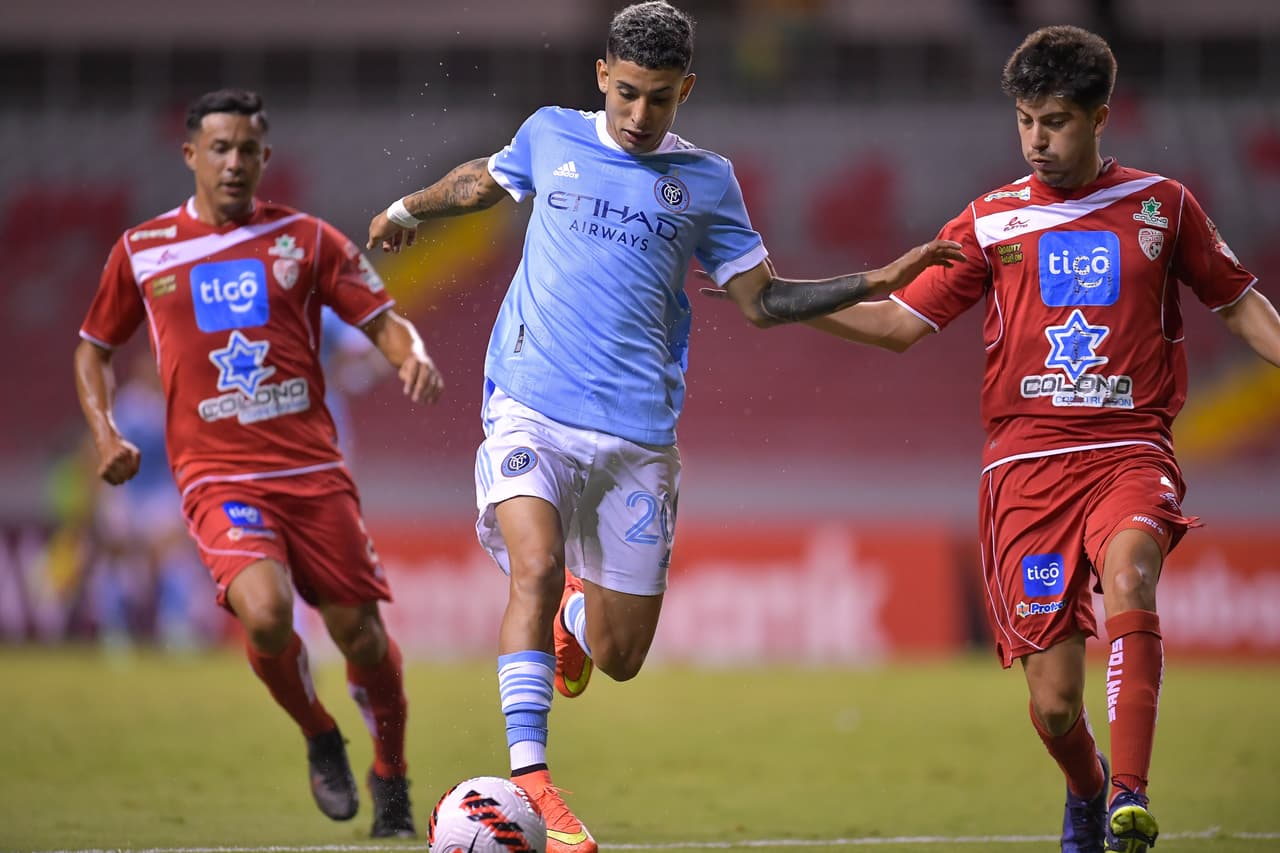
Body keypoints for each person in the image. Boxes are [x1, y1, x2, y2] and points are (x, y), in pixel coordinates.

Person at [366, 3, 963, 851]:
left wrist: (878, 277)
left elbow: (765, 303)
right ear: (603, 75)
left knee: (619, 654)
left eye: (661, 100)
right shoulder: (550, 135)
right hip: (529, 403)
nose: (641, 116)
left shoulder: (707, 182)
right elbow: (482, 181)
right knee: (532, 567)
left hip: (638, 441)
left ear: (687, 89)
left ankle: (578, 617)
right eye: (628, 95)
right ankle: (535, 778)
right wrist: (407, 206)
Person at [788, 25, 1280, 853]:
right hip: (1024, 471)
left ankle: (1129, 798)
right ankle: (1087, 787)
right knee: (1054, 703)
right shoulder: (990, 220)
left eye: (1054, 120)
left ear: (1100, 118)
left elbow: (1238, 302)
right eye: (1025, 121)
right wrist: (781, 301)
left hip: (1130, 448)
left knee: (1132, 571)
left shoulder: (1165, 205)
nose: (1037, 140)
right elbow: (896, 323)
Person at [74, 88, 445, 839]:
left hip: (313, 475)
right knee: (269, 614)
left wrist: (414, 357)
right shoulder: (144, 251)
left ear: (265, 157)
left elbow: (382, 318)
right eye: (220, 148)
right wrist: (105, 431)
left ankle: (392, 776)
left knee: (361, 637)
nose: (234, 162)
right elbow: (93, 348)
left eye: (248, 149)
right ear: (191, 156)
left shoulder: (306, 241)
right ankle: (318, 730)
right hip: (219, 479)